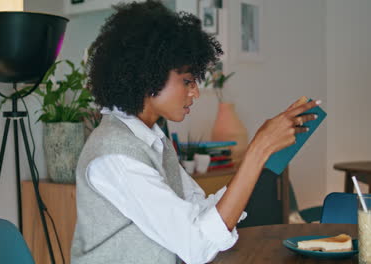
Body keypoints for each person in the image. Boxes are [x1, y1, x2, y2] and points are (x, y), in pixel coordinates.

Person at [70, 1, 319, 264]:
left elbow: (199, 212)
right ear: (148, 77)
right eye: (187, 81)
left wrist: (261, 156)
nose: (195, 93)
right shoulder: (116, 157)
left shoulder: (152, 139)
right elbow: (197, 246)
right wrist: (257, 151)